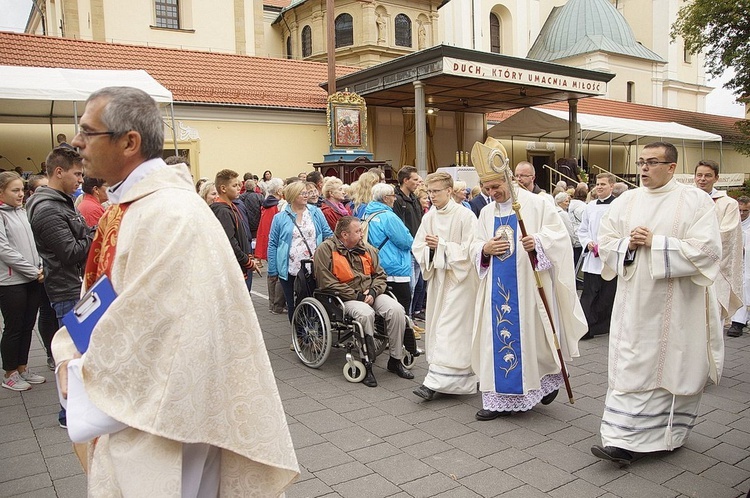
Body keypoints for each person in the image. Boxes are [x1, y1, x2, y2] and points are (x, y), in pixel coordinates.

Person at [56, 86, 298, 494]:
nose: (76, 143)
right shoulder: (130, 206)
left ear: (129, 141)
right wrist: (69, 347)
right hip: (139, 411)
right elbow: (103, 299)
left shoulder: (172, 215)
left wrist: (81, 370)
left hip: (168, 418)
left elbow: (159, 333)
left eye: (87, 132)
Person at [591, 142, 722, 466]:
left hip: (677, 305)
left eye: (652, 162)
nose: (644, 168)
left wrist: (657, 243)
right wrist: (628, 245)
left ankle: (669, 436)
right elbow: (605, 243)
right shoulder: (626, 200)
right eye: (641, 162)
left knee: (671, 365)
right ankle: (619, 440)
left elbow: (708, 251)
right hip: (633, 306)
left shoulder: (695, 201)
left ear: (672, 167)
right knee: (631, 365)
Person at [469, 138, 587, 421]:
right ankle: (497, 397)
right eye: (487, 188)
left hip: (529, 288)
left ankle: (543, 381)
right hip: (496, 291)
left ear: (510, 180)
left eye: (496, 186)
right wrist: (484, 249)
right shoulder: (486, 212)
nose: (492, 192)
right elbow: (473, 244)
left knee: (534, 338)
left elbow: (560, 237)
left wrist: (538, 241)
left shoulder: (537, 204)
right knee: (493, 339)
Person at [26, 147, 95, 428]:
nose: (80, 180)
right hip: (67, 289)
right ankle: (69, 414)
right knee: (74, 353)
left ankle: (76, 410)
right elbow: (70, 252)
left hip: (72, 285)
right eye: (77, 174)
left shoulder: (60, 201)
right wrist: (96, 234)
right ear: (59, 172)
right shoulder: (47, 209)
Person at [313, 216, 414, 387]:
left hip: (370, 292)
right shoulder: (325, 250)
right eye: (358, 231)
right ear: (344, 234)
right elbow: (326, 281)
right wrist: (357, 296)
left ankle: (395, 360)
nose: (362, 234)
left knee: (396, 310)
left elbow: (380, 275)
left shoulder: (367, 249)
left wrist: (374, 292)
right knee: (365, 314)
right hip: (344, 297)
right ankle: (367, 363)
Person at [411, 172, 478, 401]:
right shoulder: (429, 216)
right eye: (429, 192)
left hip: (460, 281)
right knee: (440, 326)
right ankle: (454, 378)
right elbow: (418, 246)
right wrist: (432, 250)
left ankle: (433, 382)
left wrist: (442, 246)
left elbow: (471, 250)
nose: (432, 196)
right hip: (439, 280)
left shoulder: (465, 216)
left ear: (449, 191)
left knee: (450, 329)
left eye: (436, 191)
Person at [0, 172, 45, 391]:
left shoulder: (22, 212)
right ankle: (9, 373)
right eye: (14, 190)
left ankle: (22, 367)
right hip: (11, 282)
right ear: (1, 192)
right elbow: (4, 249)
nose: (20, 194)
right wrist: (31, 271)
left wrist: (40, 265)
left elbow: (33, 243)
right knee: (14, 327)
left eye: (21, 190)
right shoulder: (1, 215)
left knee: (28, 325)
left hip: (31, 277)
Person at [268, 181, 333, 322]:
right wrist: (273, 270)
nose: (306, 195)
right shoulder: (280, 218)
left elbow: (328, 234)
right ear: (292, 196)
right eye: (302, 193)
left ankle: (313, 335)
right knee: (293, 305)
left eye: (306, 192)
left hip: (314, 266)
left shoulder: (315, 212)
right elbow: (273, 244)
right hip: (289, 268)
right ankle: (298, 336)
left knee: (313, 302)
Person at [694, 159, 744, 327]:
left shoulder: (728, 203)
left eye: (708, 175)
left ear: (716, 178)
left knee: (712, 321)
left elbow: (727, 235)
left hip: (714, 266)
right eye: (699, 175)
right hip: (688, 266)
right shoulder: (687, 200)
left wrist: (695, 247)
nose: (702, 179)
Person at [577, 172, 617, 340]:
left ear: (612, 186)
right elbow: (583, 229)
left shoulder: (618, 205)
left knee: (607, 294)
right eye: (597, 184)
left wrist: (608, 245)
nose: (599, 187)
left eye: (603, 184)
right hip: (593, 257)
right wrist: (588, 243)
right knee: (589, 293)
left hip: (610, 258)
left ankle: (601, 325)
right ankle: (584, 327)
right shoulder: (590, 206)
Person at [363, 183, 414, 316]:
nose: (395, 199)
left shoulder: (367, 214)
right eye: (393, 196)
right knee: (402, 303)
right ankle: (401, 334)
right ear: (386, 198)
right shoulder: (389, 217)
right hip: (395, 266)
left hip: (377, 265)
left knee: (383, 305)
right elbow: (406, 241)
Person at [210, 169, 256, 289]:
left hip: (240, 264)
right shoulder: (223, 211)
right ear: (223, 188)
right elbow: (230, 242)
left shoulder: (232, 207)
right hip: (233, 267)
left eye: (238, 185)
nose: (238, 188)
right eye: (234, 185)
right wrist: (246, 260)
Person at [256, 177, 287, 315]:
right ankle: (276, 304)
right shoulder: (274, 206)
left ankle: (273, 304)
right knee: (276, 274)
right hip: (274, 244)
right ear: (279, 190)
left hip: (269, 242)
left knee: (273, 274)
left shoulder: (270, 204)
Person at [729, 196, 750, 337]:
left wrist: (745, 249)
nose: (741, 214)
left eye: (745, 211)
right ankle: (737, 322)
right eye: (739, 210)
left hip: (747, 263)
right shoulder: (731, 222)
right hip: (735, 264)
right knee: (739, 288)